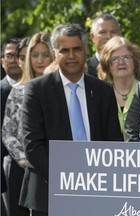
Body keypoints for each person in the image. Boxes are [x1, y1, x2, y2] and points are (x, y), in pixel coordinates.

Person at [20, 23, 123, 216]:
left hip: (96, 191)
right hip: (49, 192)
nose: (71, 55)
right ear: (55, 53)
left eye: (77, 49)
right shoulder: (36, 90)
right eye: (64, 50)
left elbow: (113, 141)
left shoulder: (103, 91)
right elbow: (33, 145)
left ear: (85, 50)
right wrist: (68, 179)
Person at [2, 32, 53, 216]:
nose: (40, 60)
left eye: (45, 54)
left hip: (57, 169)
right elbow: (8, 132)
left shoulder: (61, 90)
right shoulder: (17, 91)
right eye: (35, 54)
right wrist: (26, 160)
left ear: (53, 56)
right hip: (23, 170)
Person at [98, 36, 140, 139]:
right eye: (115, 59)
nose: (121, 62)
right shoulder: (101, 95)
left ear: (135, 61)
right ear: (107, 64)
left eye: (126, 57)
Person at [0, 38, 22, 216]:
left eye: (18, 55)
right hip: (7, 168)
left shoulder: (38, 88)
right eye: (9, 56)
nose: (14, 60)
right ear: (2, 61)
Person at [87, 12, 121, 77]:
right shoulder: (83, 70)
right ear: (92, 37)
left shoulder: (133, 67)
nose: (108, 36)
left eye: (113, 32)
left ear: (119, 35)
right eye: (102, 32)